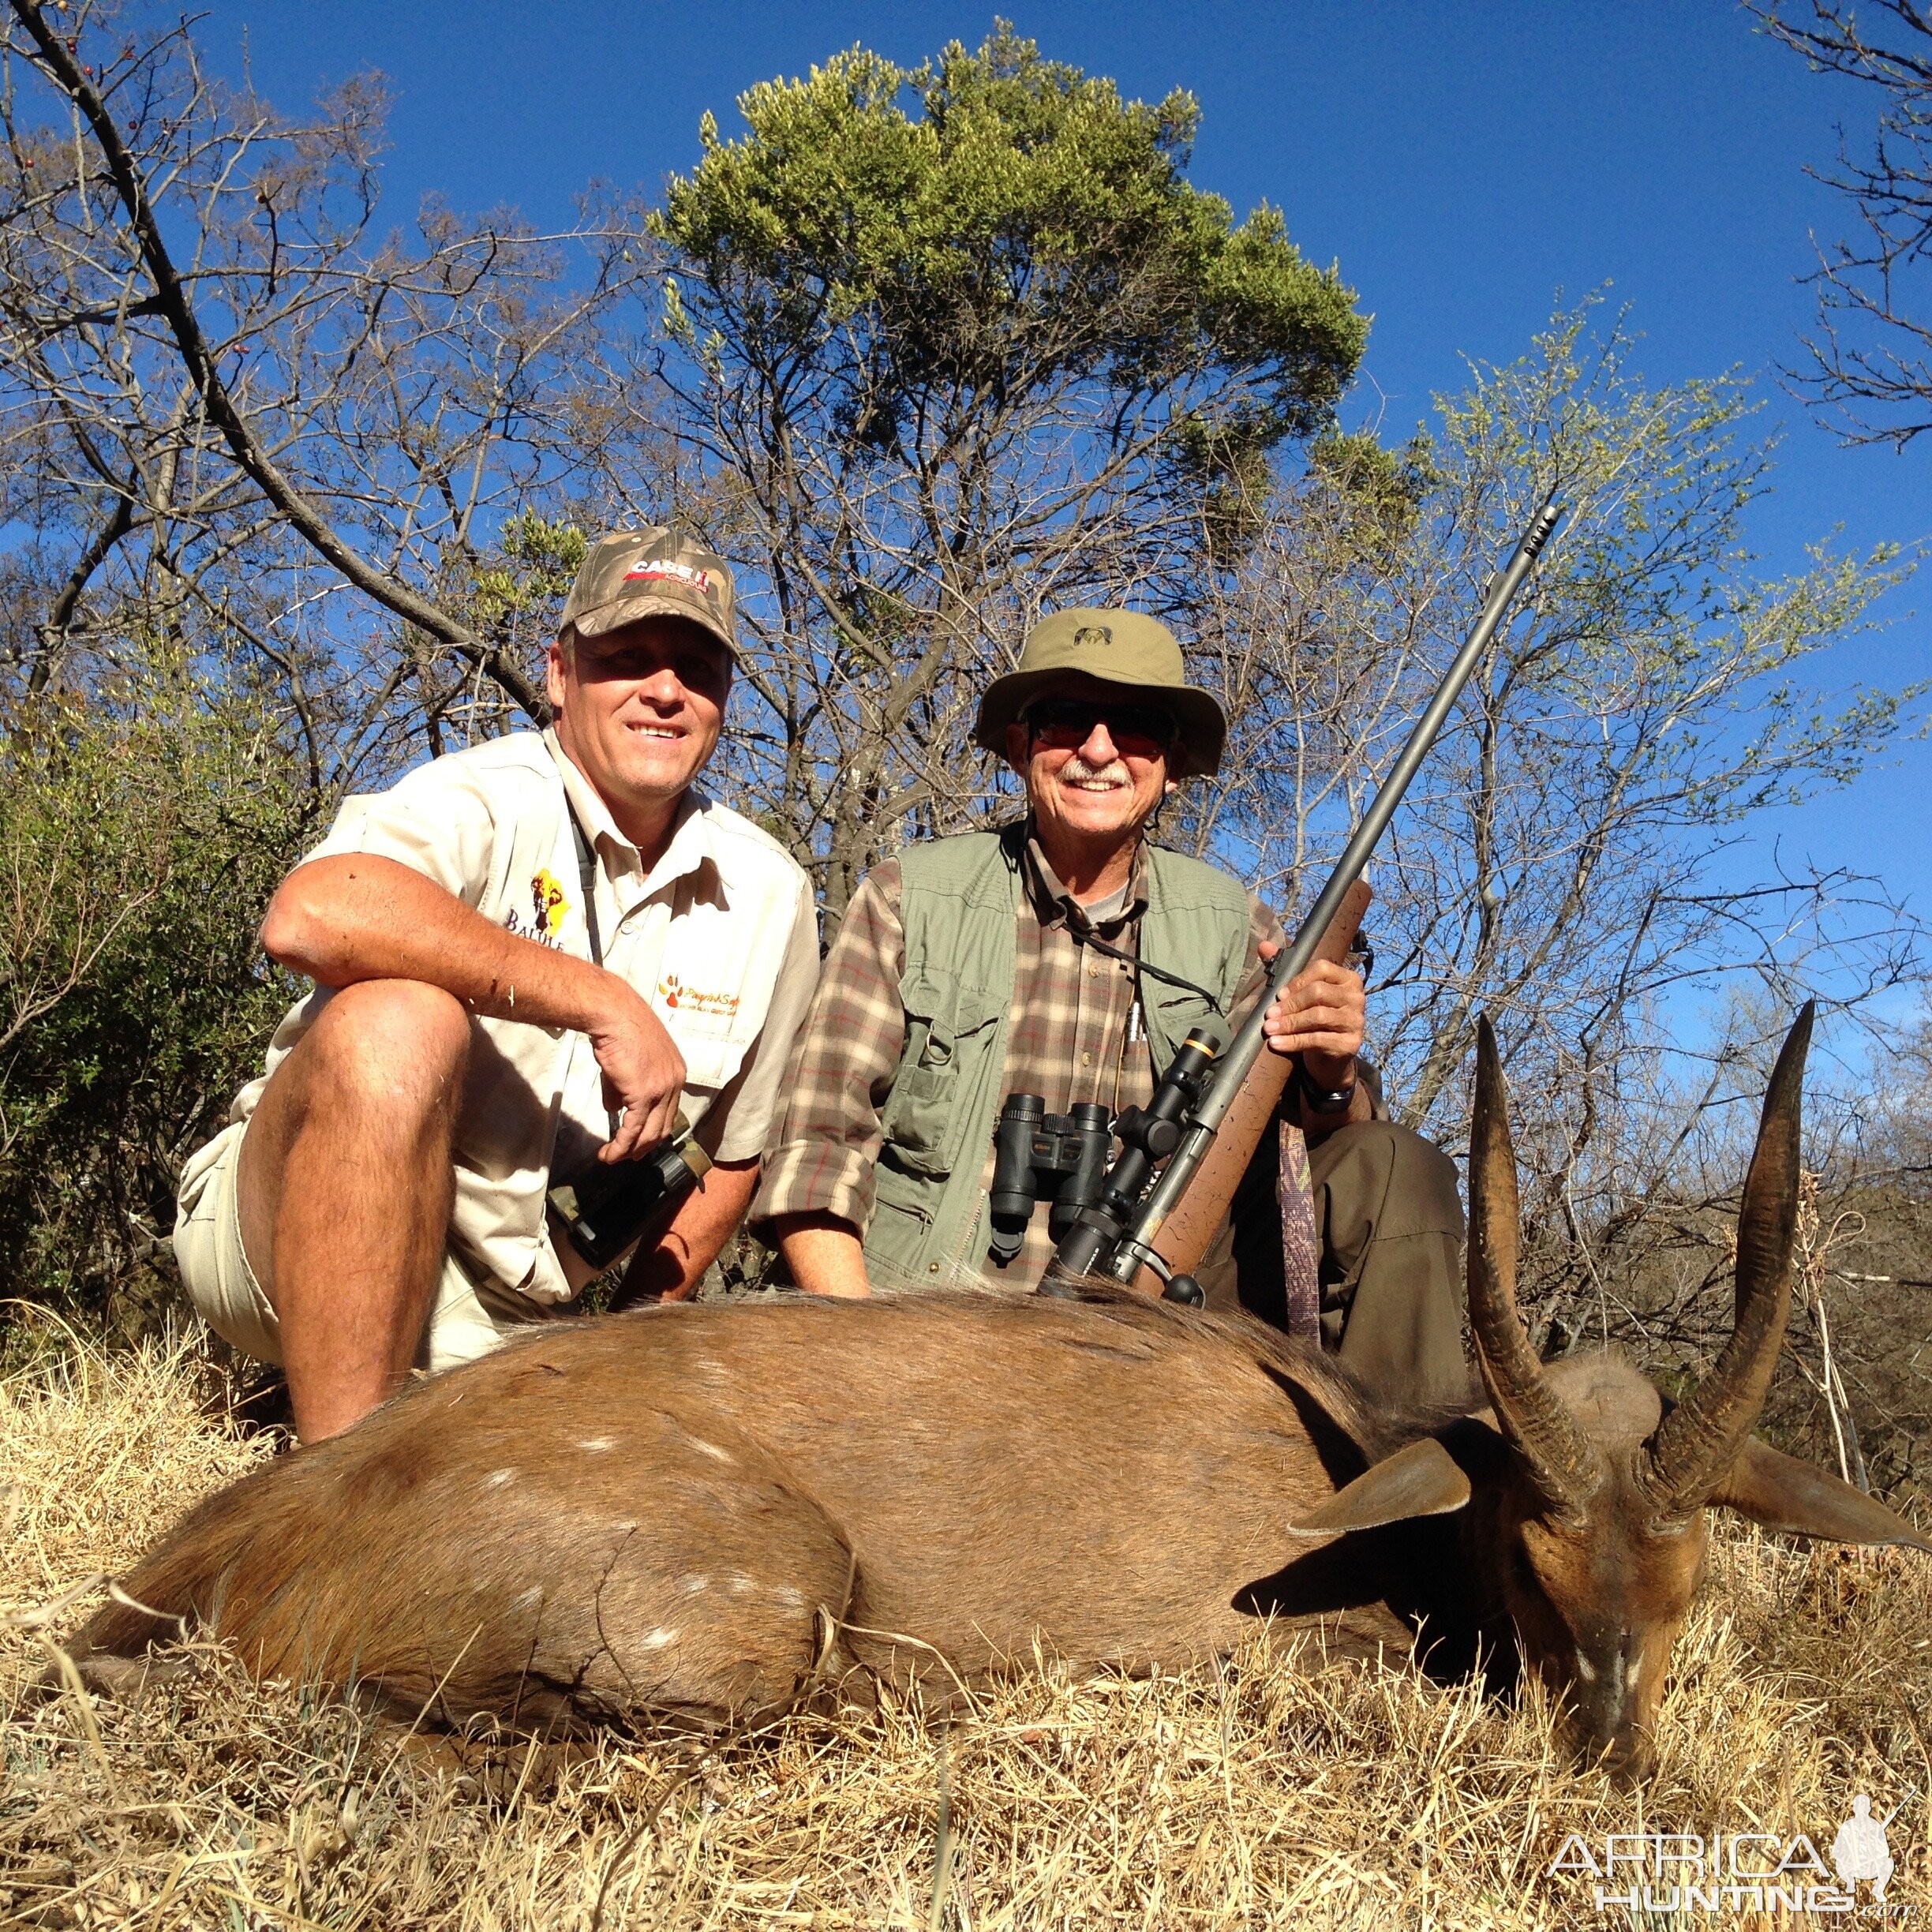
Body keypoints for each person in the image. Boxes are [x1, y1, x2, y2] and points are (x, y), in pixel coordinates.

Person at [174, 529, 820, 1441]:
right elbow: (310, 914)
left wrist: (630, 1358)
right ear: (558, 674)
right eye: (628, 659)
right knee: (398, 1021)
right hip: (272, 1247)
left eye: (696, 668)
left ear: (722, 697)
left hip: (509, 1319)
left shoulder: (774, 893)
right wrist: (601, 1000)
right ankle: (338, 1506)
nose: (665, 690)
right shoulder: (485, 794)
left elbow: (735, 1157)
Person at [753, 608, 1467, 1405]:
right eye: (1065, 720)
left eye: (1134, 726)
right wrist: (870, 1366)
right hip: (931, 1326)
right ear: (1022, 747)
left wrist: (1332, 1070)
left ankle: (1411, 1494)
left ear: (1172, 763)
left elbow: (1324, 1143)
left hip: (1158, 1327)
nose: (1099, 749)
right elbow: (817, 1147)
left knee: (1399, 1163)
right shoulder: (905, 899)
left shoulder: (1236, 927)